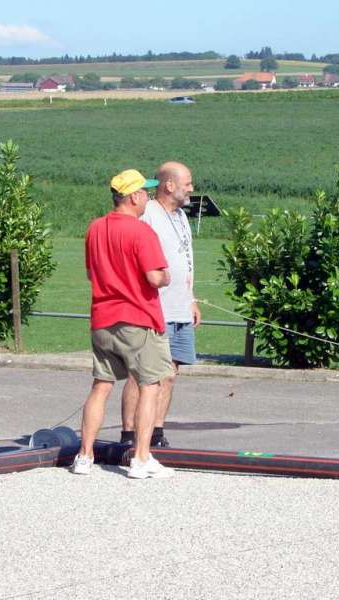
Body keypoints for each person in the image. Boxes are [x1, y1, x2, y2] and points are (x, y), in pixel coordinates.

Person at [70, 169, 175, 479]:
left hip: (102, 320)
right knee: (150, 386)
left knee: (101, 387)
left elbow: (92, 275)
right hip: (138, 318)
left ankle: (84, 455)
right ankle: (141, 458)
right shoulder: (141, 232)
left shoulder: (95, 229)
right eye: (145, 192)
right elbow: (155, 277)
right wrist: (167, 276)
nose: (148, 197)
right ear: (134, 196)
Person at [119, 162, 201, 448]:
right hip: (153, 309)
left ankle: (156, 432)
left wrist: (191, 299)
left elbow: (186, 260)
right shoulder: (148, 215)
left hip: (180, 308)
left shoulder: (181, 216)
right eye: (188, 183)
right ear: (169, 185)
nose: (191, 188)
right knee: (141, 374)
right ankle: (129, 434)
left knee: (169, 375)